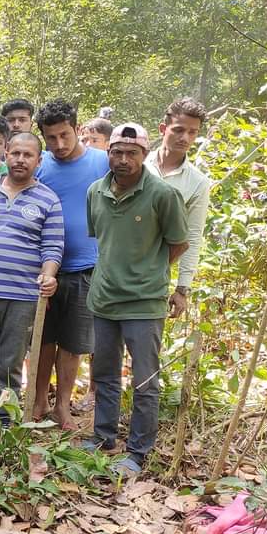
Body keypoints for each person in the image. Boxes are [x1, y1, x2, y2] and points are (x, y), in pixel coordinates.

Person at [84, 123, 188, 478]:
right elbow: (103, 238)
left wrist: (149, 271)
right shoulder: (96, 192)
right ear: (108, 153)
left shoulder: (162, 194)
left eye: (132, 153)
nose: (123, 160)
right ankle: (103, 437)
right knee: (105, 373)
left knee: (145, 380)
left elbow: (179, 243)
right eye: (117, 152)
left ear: (145, 155)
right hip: (104, 299)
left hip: (144, 303)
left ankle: (138, 451)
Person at [0, 133, 63, 423]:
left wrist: (49, 277)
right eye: (15, 153)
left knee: (10, 365)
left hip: (23, 297)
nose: (20, 159)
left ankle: (5, 418)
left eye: (28, 155)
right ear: (6, 154)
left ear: (38, 161)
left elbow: (52, 246)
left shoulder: (48, 200)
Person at [32, 99, 110, 429]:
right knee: (42, 338)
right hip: (43, 269)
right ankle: (37, 401)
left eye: (65, 135)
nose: (59, 145)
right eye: (51, 138)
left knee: (73, 343)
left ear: (78, 129)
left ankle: (62, 404)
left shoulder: (102, 162)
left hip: (86, 268)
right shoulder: (41, 166)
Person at [145, 98, 211, 317]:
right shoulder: (136, 165)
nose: (185, 138)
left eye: (193, 132)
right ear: (164, 129)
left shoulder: (197, 183)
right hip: (112, 272)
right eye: (179, 130)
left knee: (145, 347)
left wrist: (182, 288)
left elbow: (192, 236)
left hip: (154, 277)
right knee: (103, 348)